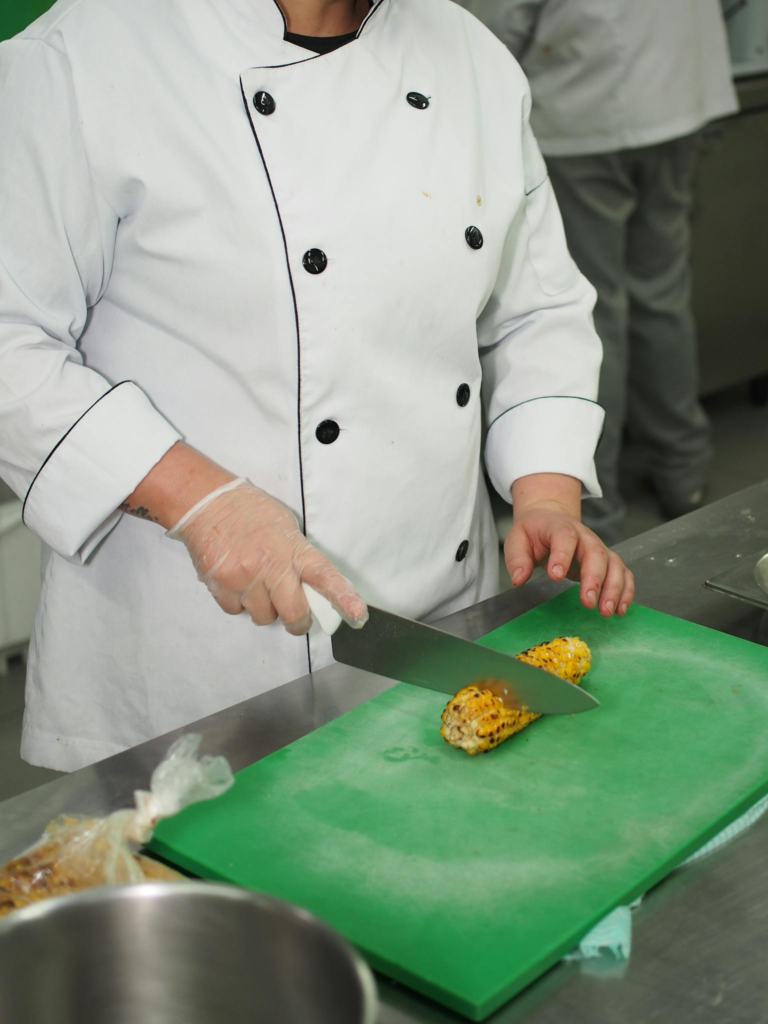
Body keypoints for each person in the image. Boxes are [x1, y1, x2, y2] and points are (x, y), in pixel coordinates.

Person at [0, 0, 634, 773]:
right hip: (196, 661)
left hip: (440, 620)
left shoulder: (469, 54)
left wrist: (545, 495)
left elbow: (537, 309)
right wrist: (200, 502)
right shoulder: (81, 58)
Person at [468, 0, 738, 546]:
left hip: (584, 109)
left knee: (593, 313)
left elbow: (490, 28)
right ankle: (683, 471)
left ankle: (598, 510)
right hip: (680, 94)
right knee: (662, 294)